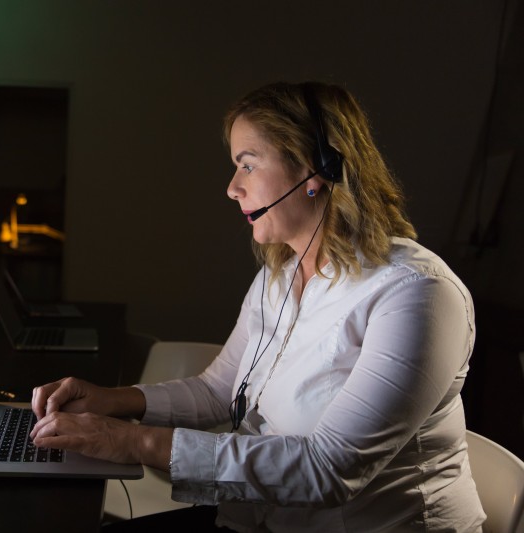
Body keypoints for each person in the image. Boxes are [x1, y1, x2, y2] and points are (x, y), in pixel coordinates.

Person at [29, 81, 485, 532]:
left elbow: (328, 469)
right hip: (261, 519)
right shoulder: (280, 275)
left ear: (316, 169)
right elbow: (219, 390)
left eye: (247, 165)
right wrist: (113, 400)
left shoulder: (417, 295)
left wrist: (133, 441)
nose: (232, 188)